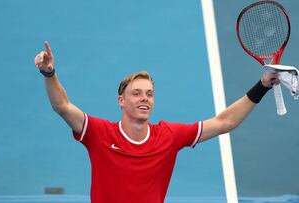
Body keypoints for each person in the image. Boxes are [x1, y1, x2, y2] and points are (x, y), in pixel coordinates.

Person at [34, 41, 278, 203]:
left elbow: (225, 122)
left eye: (149, 94)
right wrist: (49, 73)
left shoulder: (169, 135)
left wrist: (263, 86)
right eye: (137, 93)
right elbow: (62, 106)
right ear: (121, 100)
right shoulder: (98, 133)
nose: (144, 99)